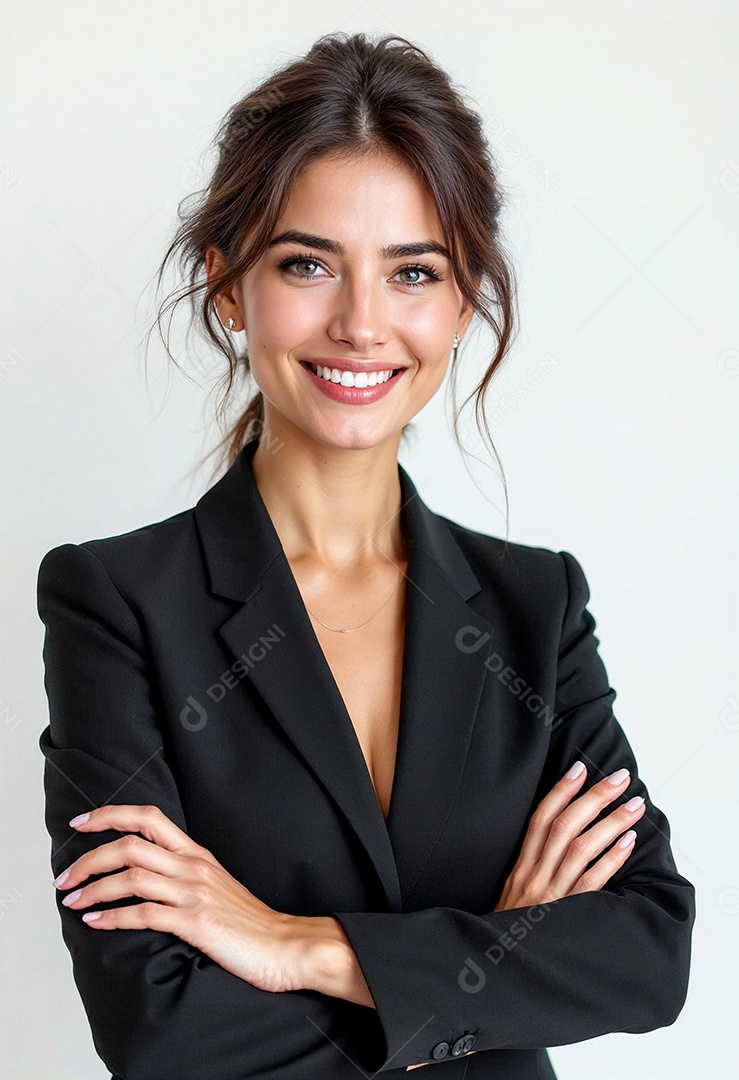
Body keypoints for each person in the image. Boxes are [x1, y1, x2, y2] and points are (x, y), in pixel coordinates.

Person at [37, 31, 695, 1080]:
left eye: (412, 272)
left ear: (461, 300)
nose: (360, 323)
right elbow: (158, 1031)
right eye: (307, 265)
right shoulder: (118, 601)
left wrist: (292, 946)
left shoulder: (534, 604)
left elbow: (647, 955)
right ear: (226, 285)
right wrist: (488, 963)